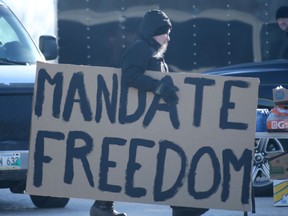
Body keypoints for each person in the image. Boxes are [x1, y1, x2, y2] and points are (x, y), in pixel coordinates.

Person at [121, 9, 208, 216]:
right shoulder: (141, 49)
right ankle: (180, 205)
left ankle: (180, 205)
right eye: (164, 32)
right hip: (141, 118)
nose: (168, 37)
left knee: (167, 158)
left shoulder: (154, 51)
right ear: (153, 32)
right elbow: (129, 75)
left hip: (154, 118)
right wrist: (157, 87)